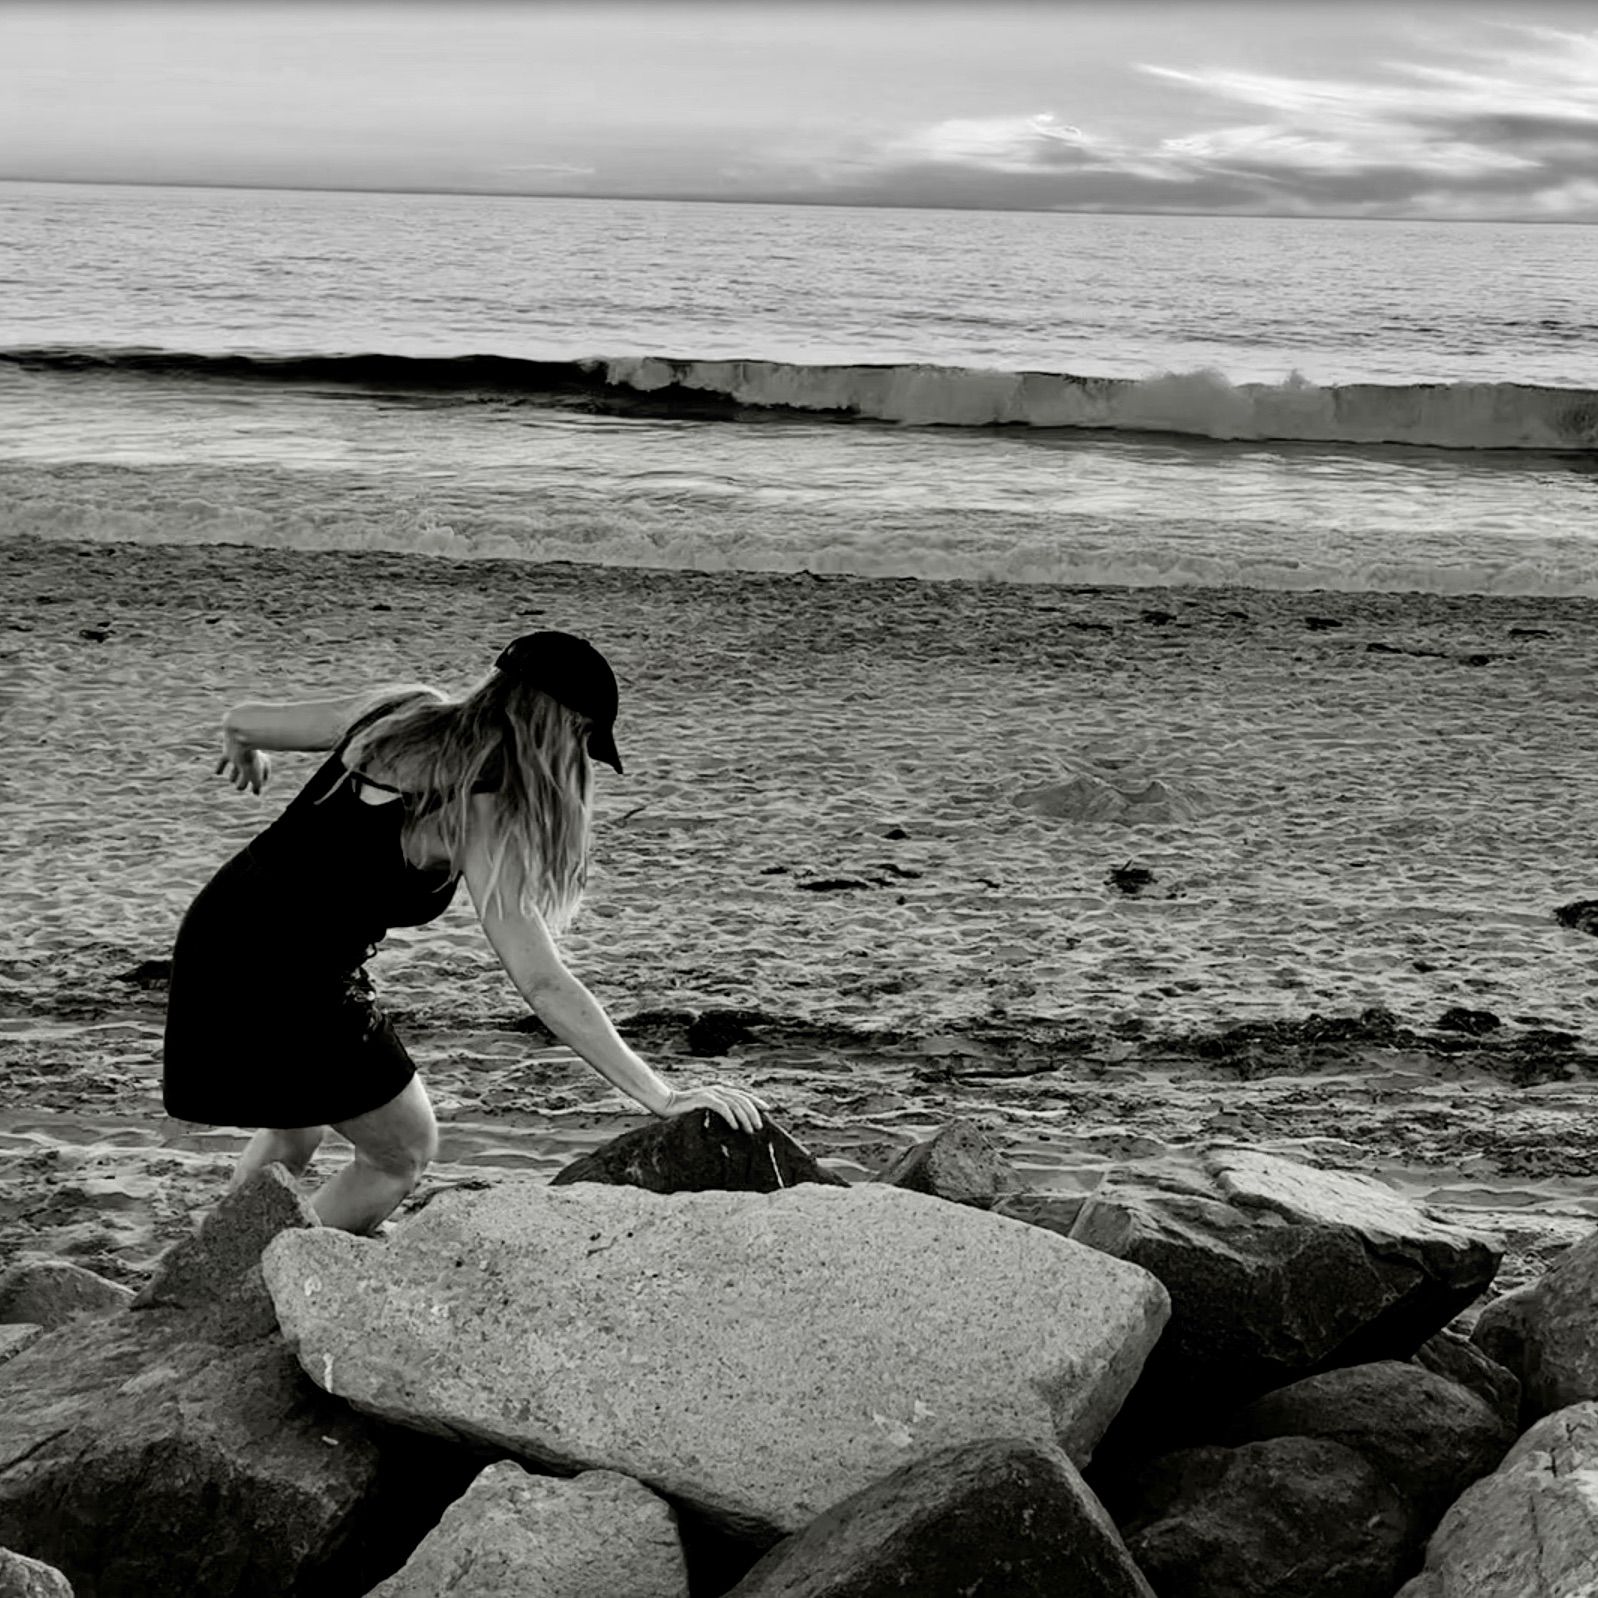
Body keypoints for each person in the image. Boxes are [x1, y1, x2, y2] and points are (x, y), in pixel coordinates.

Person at [162, 629, 766, 1235]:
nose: (579, 762)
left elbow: (242, 721)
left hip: (218, 932)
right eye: (583, 742)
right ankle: (260, 1269)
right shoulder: (481, 801)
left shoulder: (397, 711)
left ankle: (221, 1255)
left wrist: (244, 751)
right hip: (291, 975)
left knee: (298, 1122)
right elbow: (541, 981)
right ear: (558, 728)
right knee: (402, 1151)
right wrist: (661, 1096)